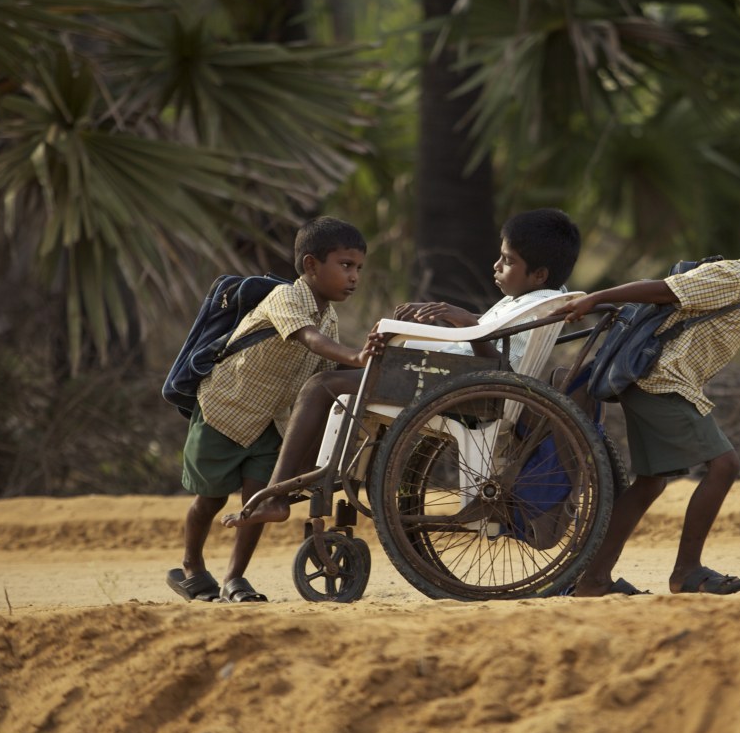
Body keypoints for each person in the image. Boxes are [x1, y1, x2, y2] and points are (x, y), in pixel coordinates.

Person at [221, 207, 582, 529]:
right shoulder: (544, 296)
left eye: (507, 260)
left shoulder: (533, 302)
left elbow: (498, 362)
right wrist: (459, 319)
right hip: (460, 382)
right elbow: (502, 339)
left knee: (323, 386)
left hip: (464, 388)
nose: (496, 266)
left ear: (538, 274)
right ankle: (319, 474)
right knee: (345, 382)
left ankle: (279, 493)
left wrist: (461, 322)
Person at [554, 243, 740, 596]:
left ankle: (593, 580)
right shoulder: (739, 278)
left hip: (662, 383)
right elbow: (664, 289)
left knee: (651, 481)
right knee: (724, 464)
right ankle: (687, 571)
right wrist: (595, 298)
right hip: (660, 381)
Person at [167, 217, 384, 604]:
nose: (354, 277)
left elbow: (326, 375)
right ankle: (191, 567)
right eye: (346, 265)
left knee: (259, 498)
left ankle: (235, 578)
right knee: (209, 499)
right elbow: (309, 339)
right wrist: (356, 355)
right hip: (225, 410)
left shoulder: (329, 316)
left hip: (271, 422)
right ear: (311, 265)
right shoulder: (285, 299)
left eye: (359, 268)